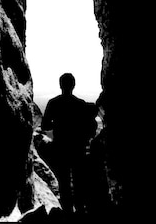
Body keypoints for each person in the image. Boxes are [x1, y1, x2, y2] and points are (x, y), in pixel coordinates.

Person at [41, 73, 97, 217]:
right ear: (73, 85)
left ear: (60, 85)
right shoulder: (81, 104)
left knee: (64, 181)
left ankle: (67, 213)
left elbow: (45, 125)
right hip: (77, 148)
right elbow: (89, 128)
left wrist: (58, 124)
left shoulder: (53, 103)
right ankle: (80, 210)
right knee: (79, 181)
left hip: (61, 147)